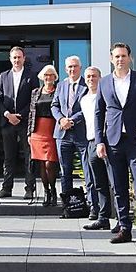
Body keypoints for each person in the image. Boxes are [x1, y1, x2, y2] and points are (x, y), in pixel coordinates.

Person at [94, 42, 136, 245]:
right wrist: (99, 141)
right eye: (116, 56)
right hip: (113, 141)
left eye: (123, 56)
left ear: (130, 57)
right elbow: (99, 112)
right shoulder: (104, 82)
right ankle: (124, 228)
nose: (120, 59)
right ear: (111, 59)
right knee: (118, 187)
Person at [0, 46, 39, 199]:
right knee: (9, 156)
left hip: (25, 122)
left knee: (29, 156)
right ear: (10, 59)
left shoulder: (31, 76)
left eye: (19, 57)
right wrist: (8, 115)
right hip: (7, 122)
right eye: (14, 57)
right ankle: (7, 188)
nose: (16, 60)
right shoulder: (3, 76)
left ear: (24, 58)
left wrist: (19, 115)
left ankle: (29, 189)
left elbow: (34, 100)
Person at [51, 56, 89, 207]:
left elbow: (87, 107)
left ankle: (91, 204)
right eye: (69, 67)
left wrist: (71, 120)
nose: (72, 70)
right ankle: (67, 204)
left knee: (87, 169)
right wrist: (61, 120)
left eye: (75, 66)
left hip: (81, 133)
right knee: (65, 171)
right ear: (65, 69)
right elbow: (54, 105)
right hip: (62, 134)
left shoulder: (87, 85)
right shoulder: (61, 85)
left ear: (80, 67)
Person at [80, 66, 114, 226]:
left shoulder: (107, 96)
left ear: (100, 78)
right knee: (98, 182)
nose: (91, 79)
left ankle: (121, 219)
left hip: (107, 141)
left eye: (94, 76)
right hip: (91, 143)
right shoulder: (84, 99)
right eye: (88, 77)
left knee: (114, 181)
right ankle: (103, 217)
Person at [27, 64, 61, 206]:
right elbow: (31, 113)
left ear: (55, 77)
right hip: (38, 130)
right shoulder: (36, 92)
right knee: (41, 164)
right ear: (42, 77)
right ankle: (46, 192)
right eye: (46, 75)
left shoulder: (59, 90)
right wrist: (29, 133)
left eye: (51, 75)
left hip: (52, 130)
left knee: (50, 164)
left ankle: (53, 190)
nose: (48, 77)